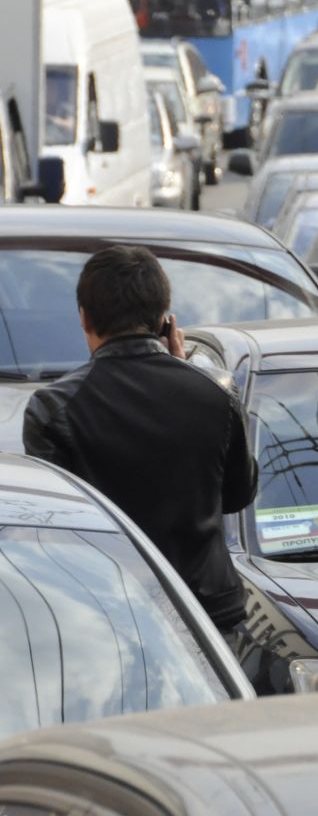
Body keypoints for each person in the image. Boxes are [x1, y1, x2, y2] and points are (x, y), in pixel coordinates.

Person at [22, 246, 258, 634]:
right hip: (208, 613)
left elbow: (50, 531)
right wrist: (183, 370)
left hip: (105, 612)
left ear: (84, 317)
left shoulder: (54, 407)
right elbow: (238, 495)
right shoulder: (216, 392)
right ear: (165, 320)